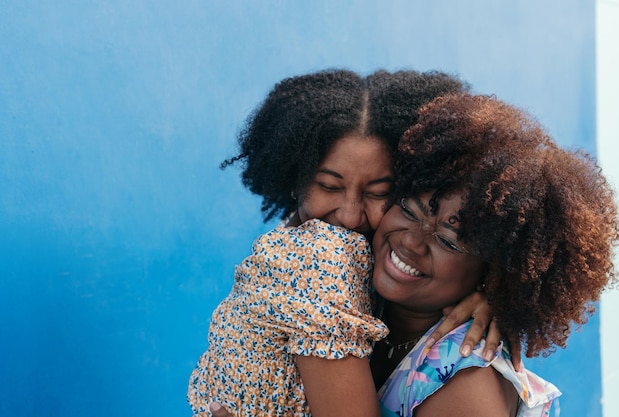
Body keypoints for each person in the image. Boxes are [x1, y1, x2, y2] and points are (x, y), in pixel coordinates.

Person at [188, 70, 502, 417]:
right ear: (296, 179)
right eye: (329, 186)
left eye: (378, 193)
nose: (351, 216)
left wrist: (498, 294)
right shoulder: (321, 259)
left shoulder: (338, 257)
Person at [370, 92, 619, 416]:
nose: (411, 241)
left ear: (493, 274)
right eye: (409, 208)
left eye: (449, 241)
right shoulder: (354, 281)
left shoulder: (464, 381)